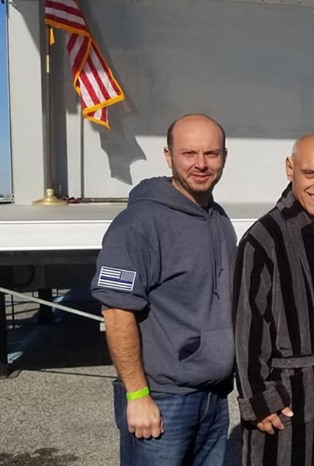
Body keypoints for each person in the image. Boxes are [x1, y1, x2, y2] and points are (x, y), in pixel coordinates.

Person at [93, 113, 235, 466]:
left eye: (211, 154)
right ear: (169, 156)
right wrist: (137, 395)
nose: (201, 164)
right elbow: (116, 311)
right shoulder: (138, 225)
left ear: (224, 157)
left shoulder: (218, 218)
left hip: (214, 399)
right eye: (189, 153)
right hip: (163, 401)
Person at [232, 134, 314, 466]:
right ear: (290, 169)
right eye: (310, 173)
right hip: (290, 399)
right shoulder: (263, 239)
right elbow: (248, 327)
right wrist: (259, 401)